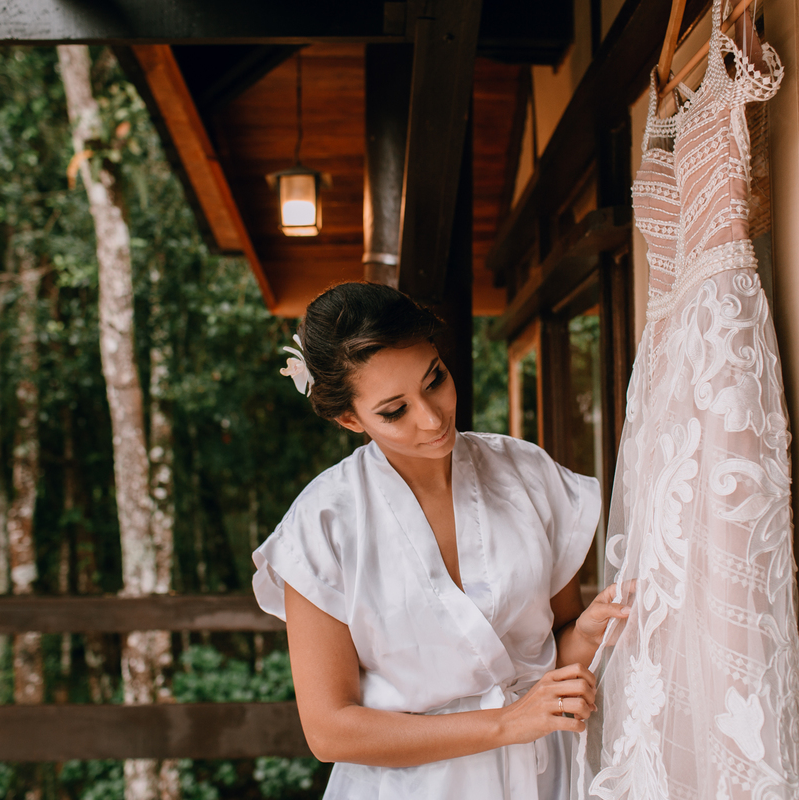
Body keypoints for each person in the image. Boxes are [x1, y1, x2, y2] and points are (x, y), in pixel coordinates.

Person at [252, 282, 630, 800]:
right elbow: (329, 730)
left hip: (549, 776)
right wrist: (507, 723)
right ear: (349, 418)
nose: (432, 418)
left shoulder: (528, 474)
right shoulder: (321, 526)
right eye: (394, 410)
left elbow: (552, 656)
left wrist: (585, 634)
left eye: (435, 380)